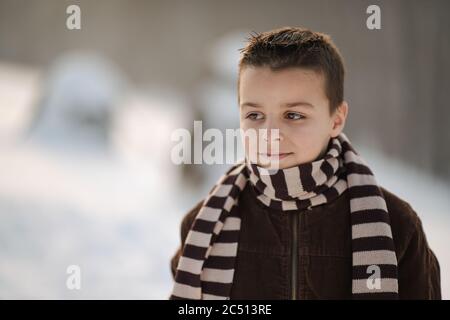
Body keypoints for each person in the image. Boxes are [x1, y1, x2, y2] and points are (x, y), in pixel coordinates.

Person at [170, 27, 441, 300]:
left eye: (293, 115)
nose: (270, 134)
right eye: (254, 114)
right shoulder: (204, 230)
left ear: (336, 119)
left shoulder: (396, 227)